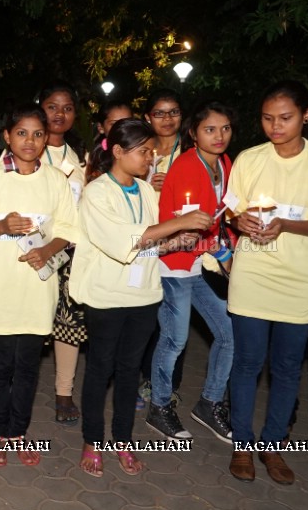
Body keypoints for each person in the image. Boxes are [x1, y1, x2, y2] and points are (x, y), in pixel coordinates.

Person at [71, 118, 212, 477]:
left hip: (144, 295)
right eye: (144, 151)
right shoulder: (97, 193)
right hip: (106, 295)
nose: (151, 158)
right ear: (118, 152)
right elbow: (125, 240)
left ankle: (122, 439)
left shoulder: (147, 191)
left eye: (151, 151)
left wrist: (173, 243)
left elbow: (150, 242)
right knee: (100, 368)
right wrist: (179, 224)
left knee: (130, 370)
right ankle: (92, 440)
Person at [226, 81, 308, 485]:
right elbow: (232, 207)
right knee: (246, 363)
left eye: (285, 118)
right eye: (267, 118)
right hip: (253, 274)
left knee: (288, 368)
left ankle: (273, 445)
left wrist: (284, 224)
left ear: (306, 115)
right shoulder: (250, 157)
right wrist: (237, 220)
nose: (274, 126)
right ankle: (242, 444)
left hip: (300, 279)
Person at [0, 105, 79, 466]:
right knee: (1, 366)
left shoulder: (55, 181)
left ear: (46, 139)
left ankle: (20, 432)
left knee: (28, 368)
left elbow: (68, 229)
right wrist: (1, 226)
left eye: (37, 134)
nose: (29, 141)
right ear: (7, 137)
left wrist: (46, 250)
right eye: (21, 133)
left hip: (36, 290)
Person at [146, 101, 236, 443]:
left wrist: (226, 249)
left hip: (202, 265)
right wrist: (217, 250)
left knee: (230, 335)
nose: (219, 135)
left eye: (225, 128)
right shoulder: (185, 167)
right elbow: (171, 225)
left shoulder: (225, 163)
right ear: (194, 134)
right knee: (174, 340)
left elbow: (220, 217)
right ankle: (159, 406)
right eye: (210, 129)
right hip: (173, 264)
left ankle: (210, 403)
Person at [39, 82, 88, 426]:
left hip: (69, 253)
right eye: (52, 106)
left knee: (68, 323)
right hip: (31, 250)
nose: (59, 114)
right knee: (28, 319)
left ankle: (64, 392)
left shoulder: (81, 159)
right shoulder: (23, 149)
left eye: (67, 108)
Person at [137, 88, 185, 408]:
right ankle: (142, 378)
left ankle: (168, 385)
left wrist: (174, 185)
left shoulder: (192, 153)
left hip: (178, 242)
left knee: (174, 319)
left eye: (173, 112)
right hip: (143, 239)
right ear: (147, 117)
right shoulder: (140, 149)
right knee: (145, 317)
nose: (167, 119)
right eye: (159, 113)